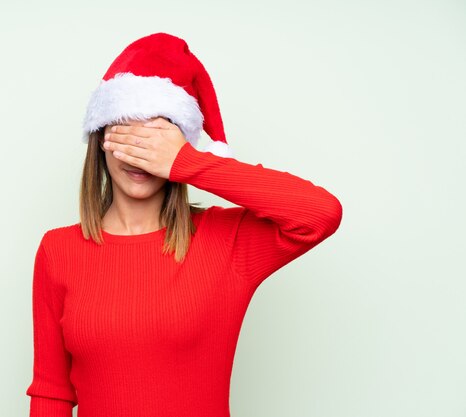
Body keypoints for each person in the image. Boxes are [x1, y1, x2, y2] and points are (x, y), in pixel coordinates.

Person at [25, 32, 343, 417]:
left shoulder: (224, 242)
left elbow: (319, 213)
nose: (142, 151)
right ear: (101, 138)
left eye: (158, 132)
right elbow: (51, 392)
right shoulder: (58, 250)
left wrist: (186, 163)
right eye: (128, 130)